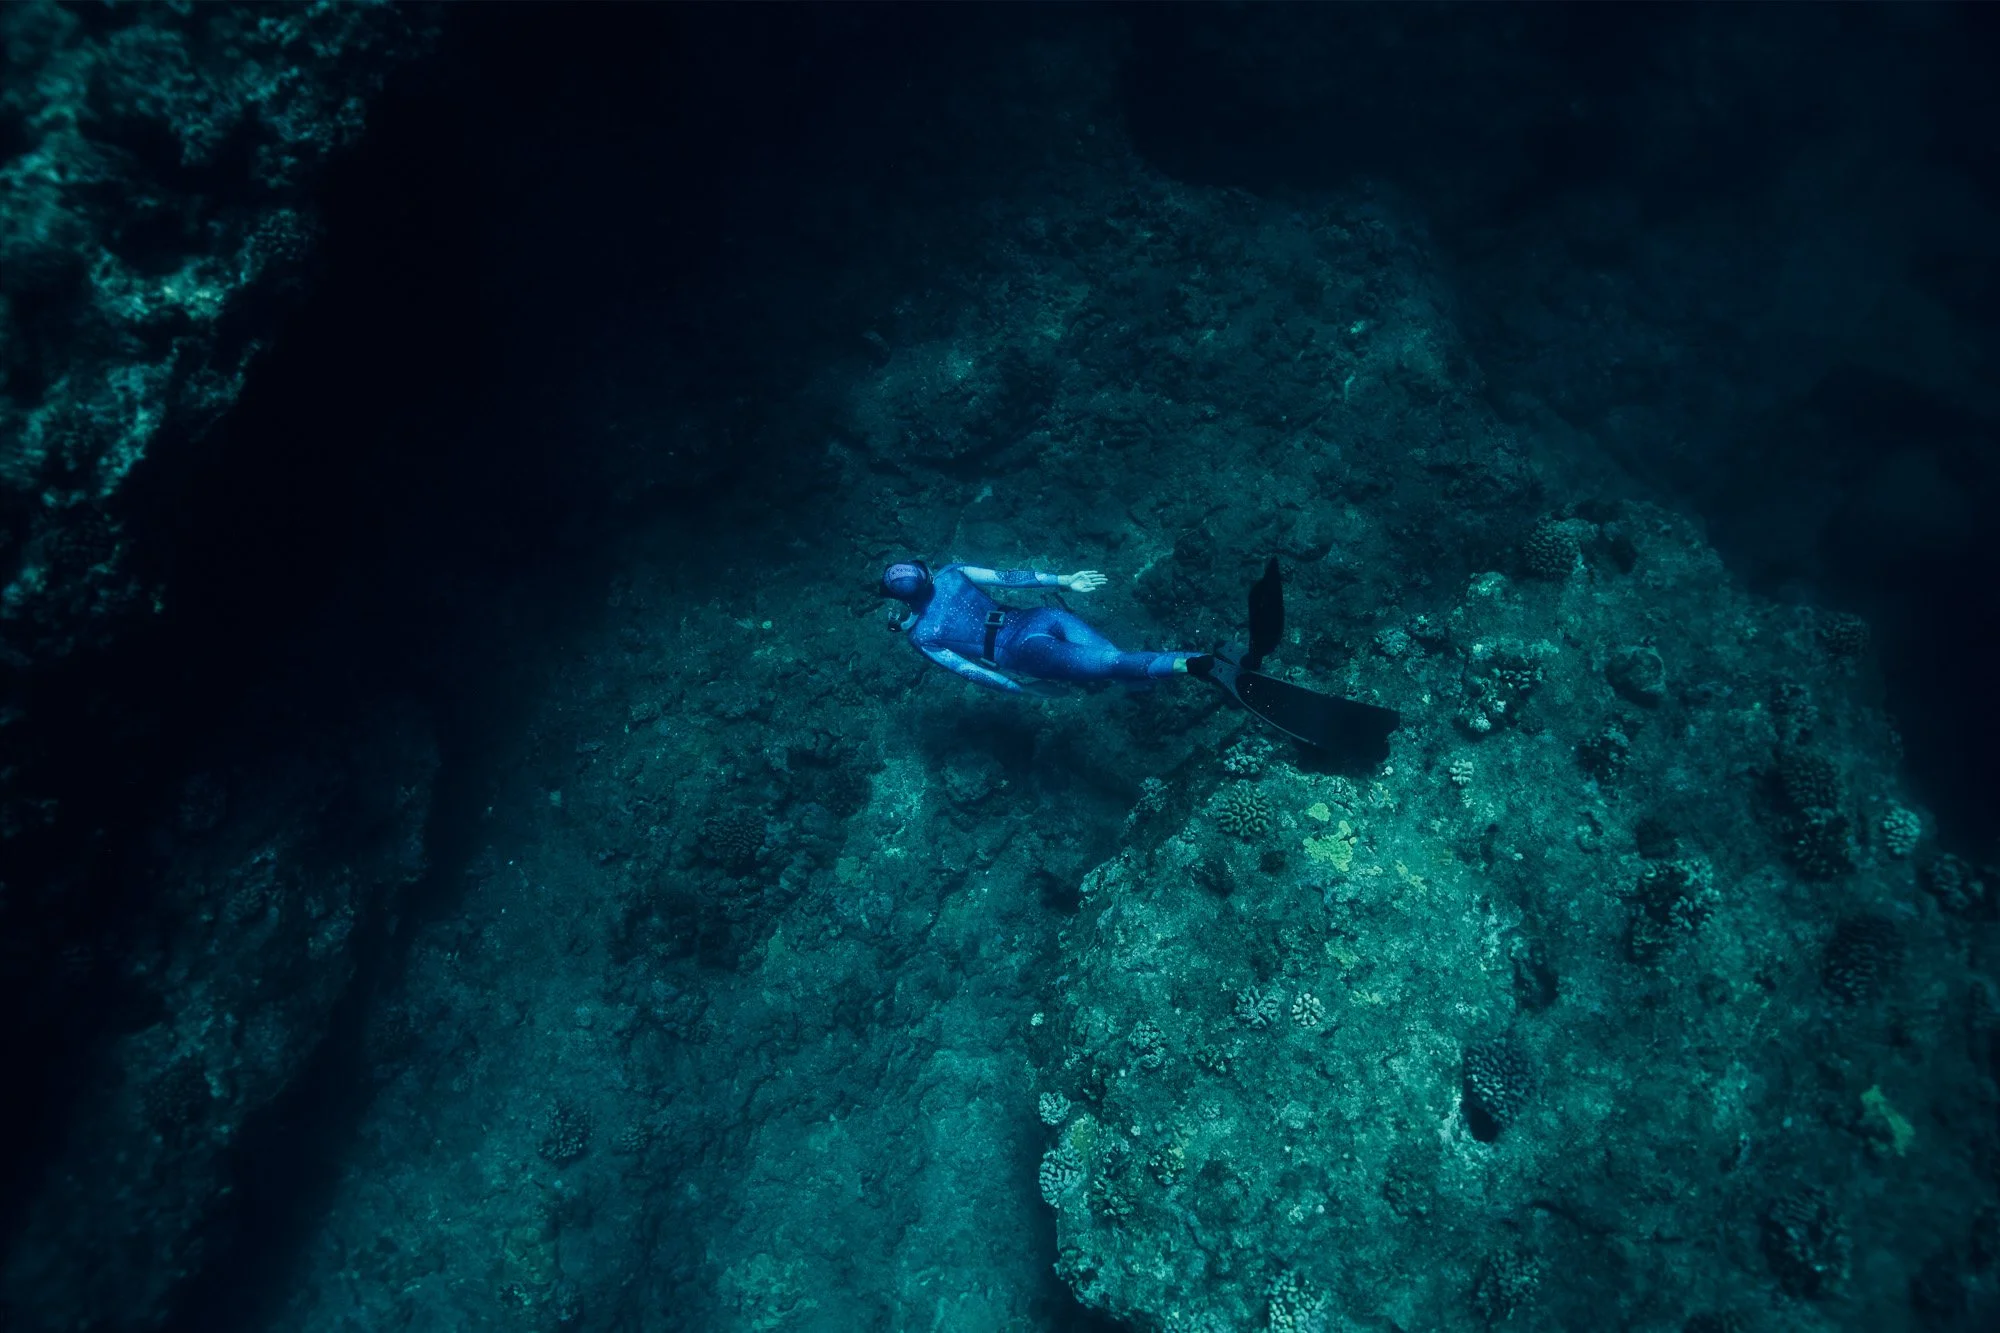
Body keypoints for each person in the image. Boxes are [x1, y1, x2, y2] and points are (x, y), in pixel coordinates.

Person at [878, 561, 1203, 694]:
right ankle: (1197, 661)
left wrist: (1023, 689)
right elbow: (1009, 578)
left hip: (1026, 653)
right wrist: (1064, 581)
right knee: (1116, 661)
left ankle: (1197, 666)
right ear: (924, 572)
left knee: (1114, 664)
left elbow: (970, 671)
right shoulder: (952, 572)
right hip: (1040, 617)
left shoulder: (922, 637)